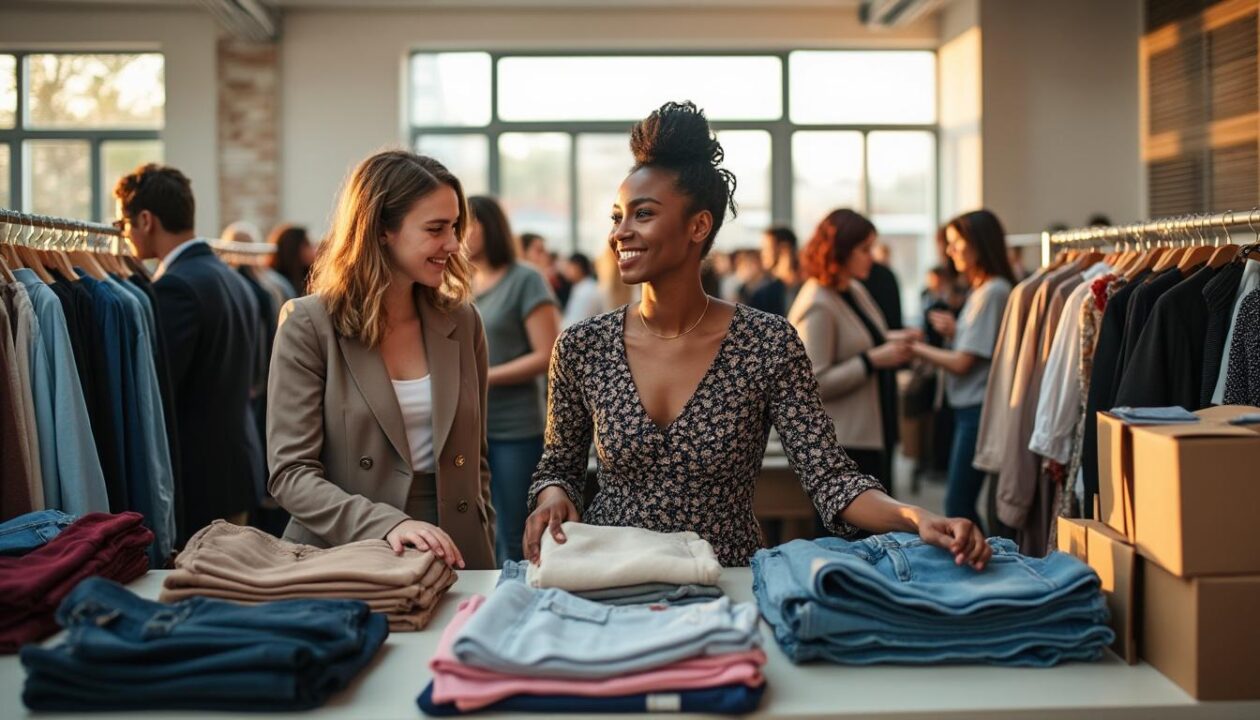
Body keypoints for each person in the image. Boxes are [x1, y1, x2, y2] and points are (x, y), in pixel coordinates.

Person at [523, 101, 991, 570]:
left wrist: (915, 516)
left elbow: (829, 476)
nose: (620, 233)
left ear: (698, 225)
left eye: (641, 215)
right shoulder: (583, 345)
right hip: (611, 578)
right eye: (616, 217)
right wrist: (552, 497)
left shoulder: (766, 343)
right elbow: (558, 465)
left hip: (727, 584)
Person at [266, 150, 496, 570]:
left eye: (455, 227)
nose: (453, 244)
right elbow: (291, 474)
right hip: (346, 551)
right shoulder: (309, 325)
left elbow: (476, 461)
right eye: (436, 229)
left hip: (459, 550)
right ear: (381, 230)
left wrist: (485, 546)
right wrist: (387, 524)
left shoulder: (462, 322)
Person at [113, 164, 262, 544]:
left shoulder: (175, 287)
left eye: (124, 223)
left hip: (199, 482)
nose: (124, 234)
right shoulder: (231, 277)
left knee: (205, 595)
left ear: (146, 220)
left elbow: (161, 391)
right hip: (236, 469)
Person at [789, 209, 920, 511]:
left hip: (870, 429)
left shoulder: (852, 289)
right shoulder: (818, 303)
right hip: (845, 442)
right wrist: (871, 361)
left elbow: (868, 338)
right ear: (840, 252)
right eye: (864, 250)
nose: (871, 258)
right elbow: (813, 382)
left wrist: (897, 340)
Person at [467, 196, 561, 563]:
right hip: (473, 427)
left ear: (490, 228)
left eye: (467, 225)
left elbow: (548, 353)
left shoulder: (525, 280)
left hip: (515, 428)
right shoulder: (463, 283)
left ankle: (519, 601)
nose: (458, 235)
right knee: (480, 527)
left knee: (513, 530)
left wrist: (482, 377)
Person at [911, 209, 1016, 529]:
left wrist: (914, 348)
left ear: (979, 244)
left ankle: (982, 561)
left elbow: (963, 363)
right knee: (963, 500)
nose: (951, 250)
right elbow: (979, 347)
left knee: (958, 503)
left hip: (976, 408)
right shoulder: (983, 289)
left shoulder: (993, 291)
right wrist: (957, 332)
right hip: (970, 406)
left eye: (958, 243)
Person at [269, 223, 315, 296]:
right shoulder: (275, 282)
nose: (314, 250)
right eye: (307, 245)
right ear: (293, 248)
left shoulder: (310, 277)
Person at [561, 252, 604, 328]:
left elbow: (576, 324)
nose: (566, 270)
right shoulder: (580, 287)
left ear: (577, 267)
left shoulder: (587, 290)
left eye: (569, 266)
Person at [762, 226, 801, 310]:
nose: (763, 253)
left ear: (784, 248)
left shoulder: (806, 287)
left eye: (767, 248)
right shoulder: (764, 294)